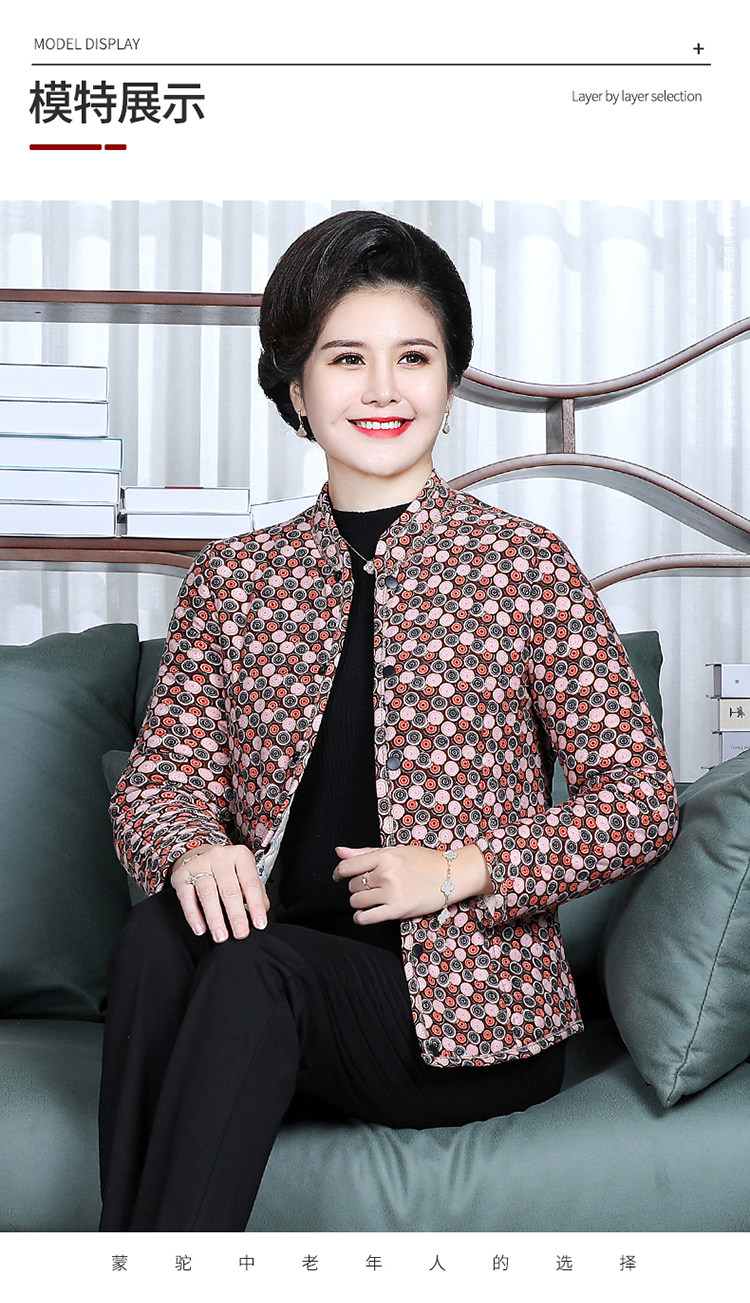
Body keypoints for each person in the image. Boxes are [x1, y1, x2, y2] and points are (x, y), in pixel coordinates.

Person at [98, 210, 678, 1232]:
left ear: (449, 384)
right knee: (158, 936)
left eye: (413, 357)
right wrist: (192, 848)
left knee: (255, 970)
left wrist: (460, 869)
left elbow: (640, 800)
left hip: (462, 1010)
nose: (382, 389)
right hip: (274, 975)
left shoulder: (522, 567)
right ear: (295, 386)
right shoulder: (235, 581)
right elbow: (160, 781)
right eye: (345, 358)